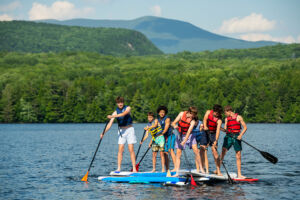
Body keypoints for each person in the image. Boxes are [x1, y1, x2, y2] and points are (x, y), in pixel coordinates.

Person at [101, 96, 137, 172]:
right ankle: (119, 168)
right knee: (120, 149)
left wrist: (112, 116)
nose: (120, 104)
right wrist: (103, 132)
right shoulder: (115, 112)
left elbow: (124, 114)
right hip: (121, 131)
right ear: (117, 103)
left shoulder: (128, 108)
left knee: (131, 149)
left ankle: (134, 168)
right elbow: (110, 124)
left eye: (121, 102)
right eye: (118, 103)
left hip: (129, 130)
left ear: (123, 103)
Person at [171, 106, 201, 176]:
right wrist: (174, 125)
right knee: (178, 153)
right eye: (193, 114)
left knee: (196, 151)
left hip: (189, 135)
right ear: (189, 112)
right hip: (180, 134)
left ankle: (200, 169)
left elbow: (189, 131)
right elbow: (173, 123)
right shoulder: (181, 114)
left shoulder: (193, 121)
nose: (193, 116)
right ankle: (177, 172)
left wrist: (184, 141)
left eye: (194, 115)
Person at [220, 105, 247, 178]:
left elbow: (245, 127)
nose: (225, 114)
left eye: (225, 113)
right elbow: (225, 129)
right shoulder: (226, 119)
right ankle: (218, 170)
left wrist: (240, 135)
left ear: (229, 111)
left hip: (236, 136)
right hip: (228, 136)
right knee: (223, 152)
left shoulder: (239, 117)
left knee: (238, 155)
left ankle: (239, 174)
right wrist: (219, 127)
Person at [203, 104, 223, 176]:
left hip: (213, 134)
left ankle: (218, 170)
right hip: (206, 131)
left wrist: (216, 141)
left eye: (218, 113)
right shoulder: (208, 112)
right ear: (214, 111)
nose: (217, 114)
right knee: (203, 149)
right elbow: (205, 119)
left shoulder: (219, 120)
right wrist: (205, 126)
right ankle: (204, 169)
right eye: (216, 113)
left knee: (214, 151)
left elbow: (218, 131)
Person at [156, 106, 176, 171]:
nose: (162, 113)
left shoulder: (167, 119)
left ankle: (176, 167)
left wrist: (161, 134)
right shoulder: (158, 120)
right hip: (163, 137)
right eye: (161, 112)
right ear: (158, 113)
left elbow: (166, 128)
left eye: (163, 112)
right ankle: (167, 169)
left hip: (170, 135)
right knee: (165, 152)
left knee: (170, 150)